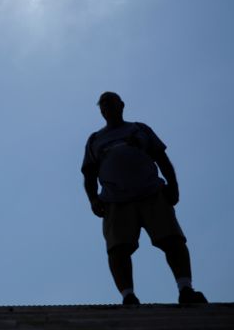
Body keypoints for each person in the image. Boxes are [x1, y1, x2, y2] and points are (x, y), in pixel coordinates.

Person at [81, 92, 207, 305]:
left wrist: (173, 186)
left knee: (172, 240)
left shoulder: (139, 129)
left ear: (121, 105)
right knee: (118, 249)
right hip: (116, 201)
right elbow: (89, 173)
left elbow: (161, 158)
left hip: (151, 194)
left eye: (110, 103)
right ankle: (128, 295)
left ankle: (186, 289)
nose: (106, 108)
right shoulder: (95, 139)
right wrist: (93, 199)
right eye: (102, 105)